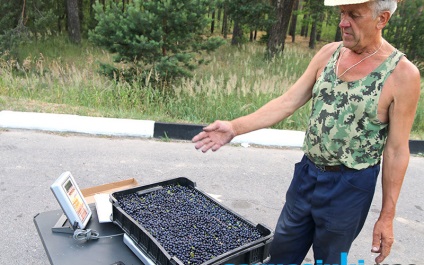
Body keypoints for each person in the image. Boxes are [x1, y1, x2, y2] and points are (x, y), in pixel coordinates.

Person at [192, 0, 421, 264]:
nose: (343, 23)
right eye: (342, 13)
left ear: (382, 19)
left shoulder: (402, 74)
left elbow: (396, 151)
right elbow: (288, 101)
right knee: (280, 254)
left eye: (354, 16)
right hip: (307, 175)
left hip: (350, 186)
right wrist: (234, 127)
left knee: (331, 259)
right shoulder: (329, 53)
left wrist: (387, 217)